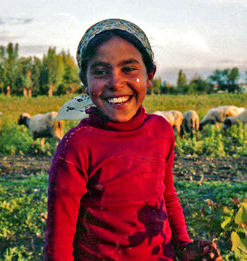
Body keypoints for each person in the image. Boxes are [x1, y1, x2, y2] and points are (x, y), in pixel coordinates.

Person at [44, 18, 221, 261]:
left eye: (128, 69)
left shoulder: (161, 130)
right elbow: (59, 242)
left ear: (150, 76)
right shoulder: (77, 145)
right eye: (100, 71)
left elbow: (166, 196)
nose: (116, 82)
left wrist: (182, 246)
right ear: (85, 82)